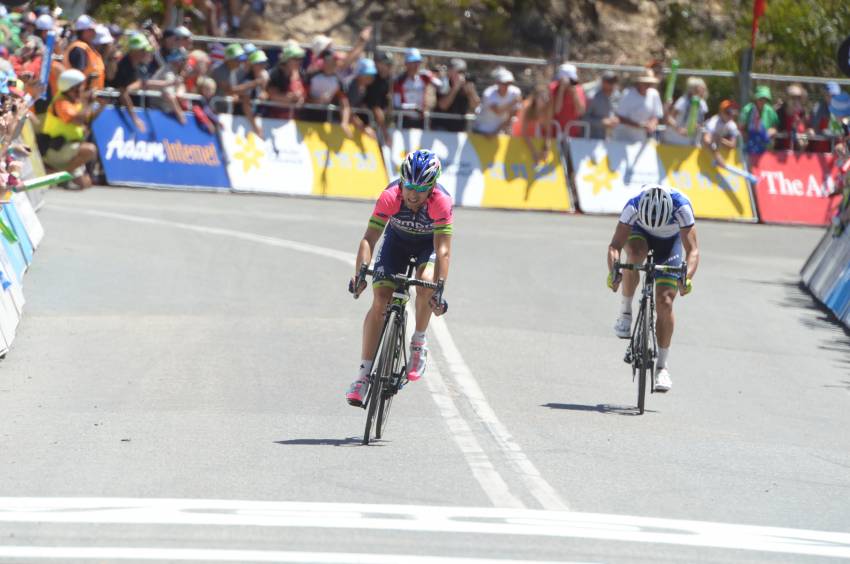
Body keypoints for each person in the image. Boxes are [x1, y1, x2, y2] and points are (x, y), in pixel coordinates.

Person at [346, 149, 452, 406]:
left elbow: (443, 250)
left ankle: (418, 341)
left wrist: (438, 290)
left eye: (420, 189)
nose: (412, 194)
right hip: (396, 244)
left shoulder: (441, 202)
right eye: (408, 187)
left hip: (428, 246)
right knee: (381, 300)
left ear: (432, 188)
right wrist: (360, 273)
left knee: (425, 281)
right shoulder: (390, 196)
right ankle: (362, 377)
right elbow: (369, 238)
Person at [607, 184, 699, 392]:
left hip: (670, 244)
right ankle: (625, 311)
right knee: (634, 256)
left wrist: (687, 278)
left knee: (665, 301)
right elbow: (615, 246)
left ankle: (662, 367)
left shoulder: (682, 207)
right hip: (640, 235)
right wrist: (614, 272)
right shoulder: (633, 205)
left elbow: (693, 251)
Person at [40, 69, 107, 188]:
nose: (83, 89)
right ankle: (59, 176)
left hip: (71, 148)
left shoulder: (75, 103)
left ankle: (52, 173)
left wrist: (101, 106)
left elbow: (87, 120)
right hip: (58, 148)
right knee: (90, 150)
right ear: (71, 87)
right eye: (80, 86)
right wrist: (87, 103)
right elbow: (78, 120)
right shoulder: (61, 103)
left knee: (85, 184)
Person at [110, 33, 156, 132]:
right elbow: (123, 93)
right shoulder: (124, 65)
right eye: (142, 50)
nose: (145, 53)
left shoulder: (138, 65)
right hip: (113, 107)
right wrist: (135, 118)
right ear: (134, 51)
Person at [393, 47, 442, 129]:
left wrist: (430, 75)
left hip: (421, 120)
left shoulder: (424, 77)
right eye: (412, 62)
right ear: (406, 64)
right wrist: (414, 107)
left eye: (418, 62)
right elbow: (397, 104)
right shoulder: (399, 81)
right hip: (404, 121)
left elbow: (440, 85)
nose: (416, 65)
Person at [612, 72, 663, 143]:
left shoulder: (654, 94)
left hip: (641, 138)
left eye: (649, 83)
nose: (647, 85)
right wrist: (639, 125)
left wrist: (652, 124)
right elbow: (620, 117)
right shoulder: (628, 94)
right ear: (639, 83)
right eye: (644, 83)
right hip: (623, 137)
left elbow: (656, 114)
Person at [434, 57, 479, 132]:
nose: (461, 75)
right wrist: (455, 88)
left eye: (463, 72)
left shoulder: (466, 85)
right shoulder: (443, 84)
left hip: (460, 129)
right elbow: (443, 106)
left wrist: (471, 92)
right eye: (458, 72)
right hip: (442, 128)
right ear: (450, 71)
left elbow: (475, 105)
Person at [472, 67, 521, 135]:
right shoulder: (488, 94)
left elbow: (511, 115)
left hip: (499, 132)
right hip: (482, 130)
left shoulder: (515, 92)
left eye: (509, 83)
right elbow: (497, 111)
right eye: (504, 83)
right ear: (497, 82)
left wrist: (497, 130)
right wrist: (513, 102)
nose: (506, 86)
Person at [64, 14, 105, 92]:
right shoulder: (79, 49)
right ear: (83, 31)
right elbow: (77, 77)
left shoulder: (87, 47)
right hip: (81, 96)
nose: (94, 33)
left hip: (90, 96)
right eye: (91, 30)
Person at [663, 77, 708, 146]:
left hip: (691, 142)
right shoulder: (683, 101)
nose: (703, 90)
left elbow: (702, 122)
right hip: (674, 140)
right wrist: (679, 129)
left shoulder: (702, 104)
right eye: (700, 88)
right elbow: (669, 119)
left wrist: (697, 126)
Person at [266, 42, 306, 119]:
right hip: (275, 119)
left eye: (300, 59)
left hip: (294, 118)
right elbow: (273, 96)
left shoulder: (300, 73)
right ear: (287, 59)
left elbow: (303, 95)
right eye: (296, 59)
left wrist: (300, 98)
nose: (299, 61)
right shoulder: (276, 74)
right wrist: (292, 97)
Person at [515, 84, 554, 162]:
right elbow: (524, 132)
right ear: (536, 98)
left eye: (546, 97)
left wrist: (546, 147)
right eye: (542, 98)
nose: (545, 100)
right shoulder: (526, 107)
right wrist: (533, 152)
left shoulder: (546, 109)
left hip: (532, 137)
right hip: (517, 137)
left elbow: (548, 131)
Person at [739, 85, 779, 155]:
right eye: (760, 98)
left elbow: (775, 128)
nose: (762, 101)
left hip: (766, 149)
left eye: (765, 99)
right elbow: (740, 129)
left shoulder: (770, 111)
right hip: (748, 149)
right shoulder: (747, 110)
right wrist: (750, 139)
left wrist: (769, 133)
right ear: (756, 98)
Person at [550, 63, 586, 137]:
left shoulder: (578, 89)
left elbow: (580, 111)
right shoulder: (552, 88)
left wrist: (574, 94)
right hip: (554, 133)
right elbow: (556, 110)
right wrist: (561, 90)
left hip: (572, 133)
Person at [702, 99, 740, 166]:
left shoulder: (732, 124)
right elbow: (706, 140)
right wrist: (717, 156)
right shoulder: (713, 122)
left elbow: (733, 145)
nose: (730, 115)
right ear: (721, 112)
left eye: (732, 112)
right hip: (703, 154)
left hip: (716, 149)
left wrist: (720, 139)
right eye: (728, 112)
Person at [365, 51, 393, 141]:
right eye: (385, 64)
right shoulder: (373, 80)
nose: (388, 67)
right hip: (368, 122)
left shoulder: (388, 79)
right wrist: (385, 132)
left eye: (389, 64)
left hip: (380, 122)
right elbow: (376, 108)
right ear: (377, 64)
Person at [346, 57, 377, 137]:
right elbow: (347, 110)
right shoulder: (351, 86)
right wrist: (363, 128)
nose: (371, 77)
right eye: (367, 74)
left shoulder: (364, 87)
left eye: (372, 75)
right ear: (359, 74)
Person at [583, 70, 619, 139]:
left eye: (614, 82)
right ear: (603, 82)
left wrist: (616, 119)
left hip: (610, 140)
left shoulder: (616, 95)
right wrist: (601, 122)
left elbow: (616, 112)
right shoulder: (592, 97)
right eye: (609, 82)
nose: (612, 85)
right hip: (591, 139)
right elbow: (584, 118)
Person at [776, 83, 810, 151]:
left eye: (799, 97)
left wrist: (798, 133)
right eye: (792, 97)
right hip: (779, 154)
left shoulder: (802, 114)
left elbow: (804, 144)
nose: (796, 100)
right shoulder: (779, 112)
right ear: (787, 98)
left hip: (796, 155)